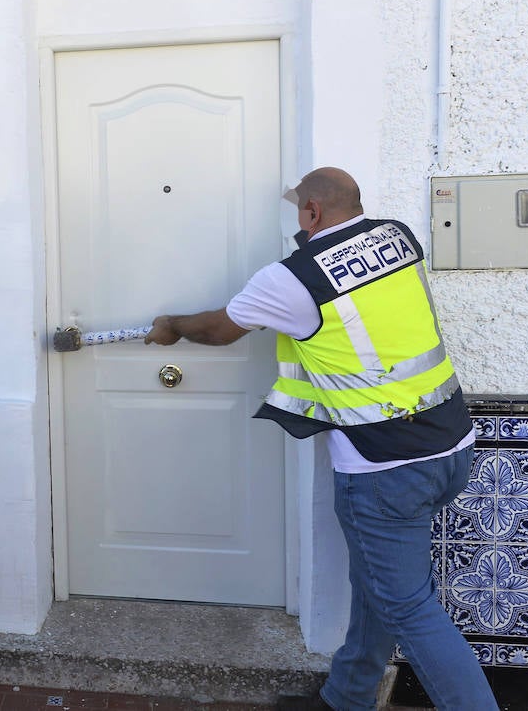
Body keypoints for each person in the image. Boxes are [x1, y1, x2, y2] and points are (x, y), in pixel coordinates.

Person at [145, 167, 496, 711]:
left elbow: (218, 328)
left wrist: (172, 324)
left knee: (409, 608)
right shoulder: (397, 237)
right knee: (376, 583)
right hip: (450, 445)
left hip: (384, 468)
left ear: (310, 213)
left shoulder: (294, 279)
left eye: (299, 214)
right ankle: (347, 698)